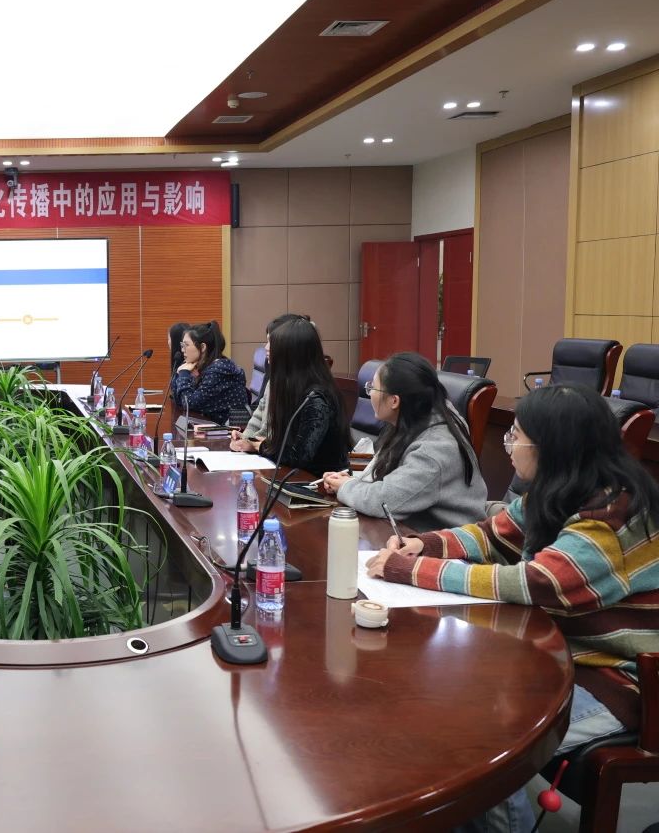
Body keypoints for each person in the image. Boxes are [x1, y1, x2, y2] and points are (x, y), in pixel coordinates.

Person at [366, 382, 659, 830]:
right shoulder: (560, 488)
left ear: (551, 447)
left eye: (516, 435)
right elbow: (491, 533)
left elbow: (535, 581)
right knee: (437, 703)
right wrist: (424, 544)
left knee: (478, 744)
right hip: (557, 655)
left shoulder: (612, 512)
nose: (508, 445)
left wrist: (411, 570)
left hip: (618, 681)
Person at [319, 352, 485, 531]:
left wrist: (346, 487)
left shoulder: (435, 450)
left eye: (373, 387)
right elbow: (389, 481)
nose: (370, 393)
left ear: (394, 401)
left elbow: (383, 501)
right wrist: (350, 482)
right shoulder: (417, 417)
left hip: (448, 542)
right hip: (410, 531)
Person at [236, 317, 348, 475]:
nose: (266, 347)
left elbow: (299, 456)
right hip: (290, 476)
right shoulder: (289, 387)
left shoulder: (316, 398)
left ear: (291, 352)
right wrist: (249, 442)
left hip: (319, 483)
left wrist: (259, 446)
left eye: (272, 343)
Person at [233, 313, 310, 451]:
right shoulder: (275, 379)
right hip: (268, 452)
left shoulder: (305, 387)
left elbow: (281, 438)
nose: (266, 347)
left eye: (271, 342)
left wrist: (254, 444)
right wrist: (245, 438)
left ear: (289, 345)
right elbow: (259, 415)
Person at [170, 321, 248, 426]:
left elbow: (189, 404)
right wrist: (179, 373)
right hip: (212, 425)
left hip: (229, 431)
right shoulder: (205, 366)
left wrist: (184, 374)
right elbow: (178, 401)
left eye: (186, 345)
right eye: (182, 345)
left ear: (202, 347)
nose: (182, 350)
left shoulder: (218, 370)